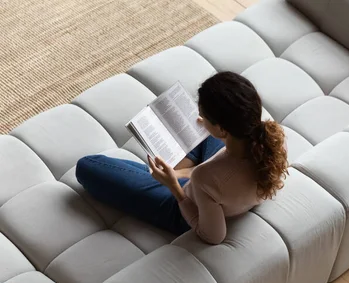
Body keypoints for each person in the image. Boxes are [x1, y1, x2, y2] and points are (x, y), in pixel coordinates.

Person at [76, 71, 288, 244]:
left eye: (204, 117)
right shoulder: (272, 139)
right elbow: (230, 167)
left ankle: (176, 175)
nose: (200, 119)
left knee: (87, 167)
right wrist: (208, 126)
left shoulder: (206, 177)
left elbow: (213, 236)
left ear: (223, 130)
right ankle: (182, 171)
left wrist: (174, 187)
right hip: (221, 180)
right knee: (198, 134)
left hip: (186, 206)